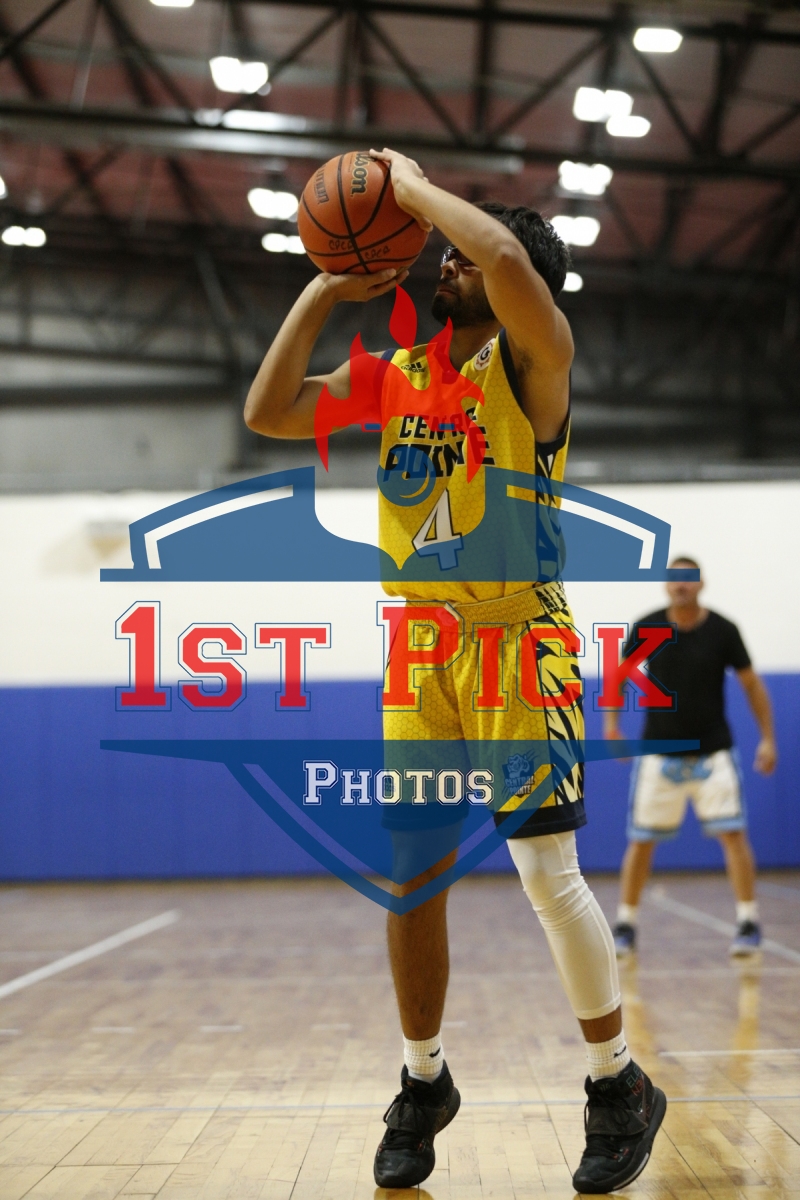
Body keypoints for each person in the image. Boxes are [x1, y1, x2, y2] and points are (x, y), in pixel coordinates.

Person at [244, 148, 666, 1195]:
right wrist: (325, 286)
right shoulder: (395, 378)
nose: (445, 261)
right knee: (411, 879)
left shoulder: (536, 363)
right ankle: (422, 1079)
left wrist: (414, 188)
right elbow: (268, 408)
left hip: (518, 641)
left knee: (545, 873)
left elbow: (511, 270)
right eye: (448, 253)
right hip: (420, 650)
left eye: (464, 257)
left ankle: (616, 1083)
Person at [606, 557, 777, 958]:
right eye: (674, 579)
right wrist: (612, 727)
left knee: (734, 835)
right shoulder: (647, 627)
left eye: (688, 578)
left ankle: (748, 921)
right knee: (641, 842)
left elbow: (751, 684)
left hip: (713, 753)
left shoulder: (723, 630)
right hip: (658, 754)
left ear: (701, 584)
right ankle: (626, 925)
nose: (681, 585)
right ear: (666, 585)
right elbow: (619, 676)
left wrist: (768, 738)